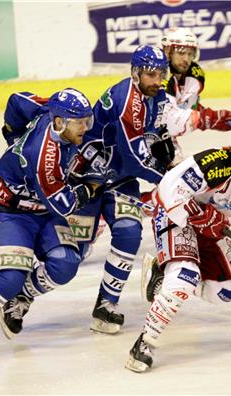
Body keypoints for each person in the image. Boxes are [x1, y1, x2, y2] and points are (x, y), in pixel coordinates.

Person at [0, 88, 102, 364]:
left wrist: (12, 132)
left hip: (43, 210)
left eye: (87, 120)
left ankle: (21, 298)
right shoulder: (42, 157)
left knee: (65, 263)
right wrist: (90, 188)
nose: (85, 127)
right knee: (8, 278)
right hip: (12, 212)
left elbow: (16, 100)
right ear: (60, 122)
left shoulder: (49, 110)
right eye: (80, 123)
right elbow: (64, 205)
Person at [125, 122, 231, 373]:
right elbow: (170, 191)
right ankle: (145, 343)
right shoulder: (214, 163)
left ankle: (161, 274)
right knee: (185, 278)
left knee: (224, 292)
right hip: (177, 218)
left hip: (211, 228)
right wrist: (202, 215)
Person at [72, 45, 175, 335]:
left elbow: (154, 134)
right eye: (150, 74)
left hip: (120, 179)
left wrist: (164, 149)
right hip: (88, 178)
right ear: (135, 73)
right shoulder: (127, 100)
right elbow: (135, 158)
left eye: (161, 74)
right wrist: (169, 177)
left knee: (129, 231)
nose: (157, 80)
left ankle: (106, 305)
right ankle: (20, 297)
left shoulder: (155, 96)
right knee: (69, 256)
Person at [160, 27, 231, 162]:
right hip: (140, 134)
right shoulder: (158, 75)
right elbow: (167, 121)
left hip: (162, 136)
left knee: (175, 174)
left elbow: (185, 106)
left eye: (190, 54)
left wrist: (210, 115)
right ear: (167, 51)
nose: (186, 59)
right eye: (181, 52)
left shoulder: (193, 75)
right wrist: (207, 119)